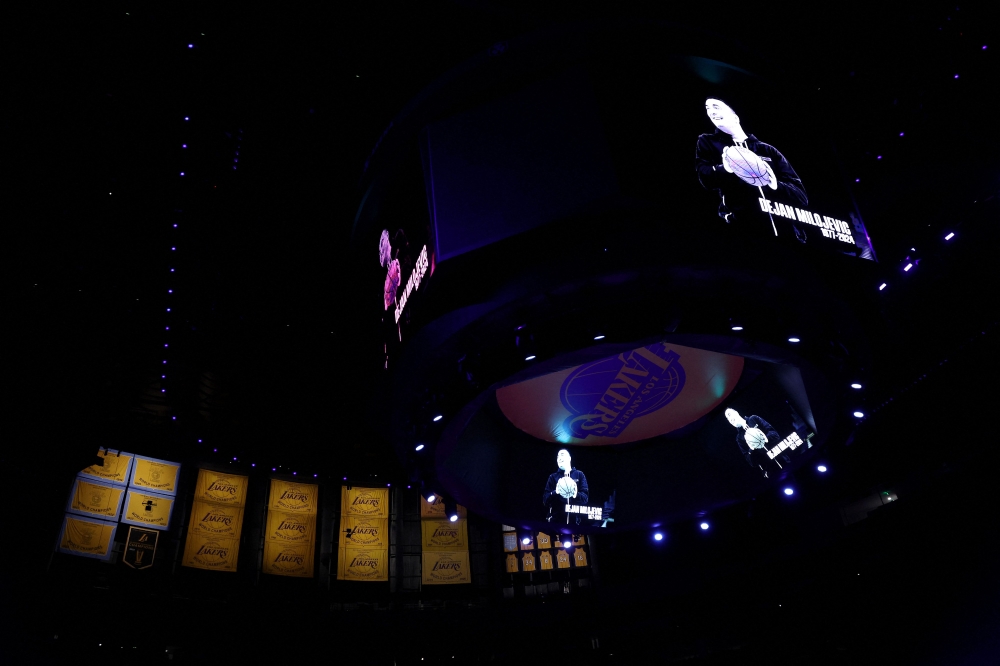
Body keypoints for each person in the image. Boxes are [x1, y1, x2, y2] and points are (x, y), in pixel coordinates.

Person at [696, 98, 808, 240]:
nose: (711, 112)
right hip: (746, 238)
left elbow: (801, 197)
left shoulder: (768, 150)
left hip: (790, 241)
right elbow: (705, 178)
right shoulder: (707, 141)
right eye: (708, 108)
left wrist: (775, 185)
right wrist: (726, 169)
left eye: (716, 107)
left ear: (735, 117)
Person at [724, 408, 787, 478]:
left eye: (729, 415)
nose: (730, 419)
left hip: (783, 459)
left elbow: (775, 435)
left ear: (736, 412)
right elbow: (751, 462)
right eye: (727, 418)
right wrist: (752, 448)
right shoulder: (739, 438)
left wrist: (763, 438)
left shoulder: (753, 418)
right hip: (771, 471)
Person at [543, 449, 589, 524]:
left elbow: (585, 499)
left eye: (562, 455)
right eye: (558, 457)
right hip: (555, 524)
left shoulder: (579, 475)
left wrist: (575, 494)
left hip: (574, 525)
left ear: (569, 458)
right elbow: (545, 500)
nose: (559, 458)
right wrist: (556, 492)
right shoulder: (553, 477)